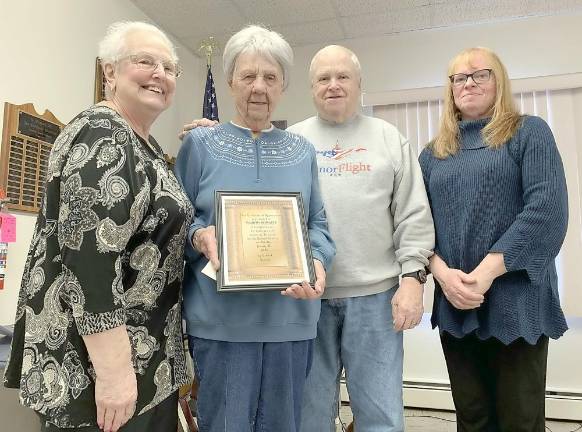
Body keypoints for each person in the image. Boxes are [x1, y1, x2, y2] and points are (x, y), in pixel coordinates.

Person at [181, 44, 434, 432]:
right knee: (310, 418)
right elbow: (190, 211)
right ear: (310, 87)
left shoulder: (378, 139)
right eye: (323, 78)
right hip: (299, 303)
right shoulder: (288, 138)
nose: (333, 86)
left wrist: (412, 279)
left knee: (380, 413)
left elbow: (408, 215)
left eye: (343, 77)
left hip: (367, 296)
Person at [3, 21, 193, 432]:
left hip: (144, 365)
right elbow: (89, 259)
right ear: (110, 72)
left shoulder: (145, 144)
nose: (160, 73)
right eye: (145, 61)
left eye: (169, 67)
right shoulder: (103, 132)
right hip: (98, 374)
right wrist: (114, 374)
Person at [174, 25, 336, 432]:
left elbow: (317, 223)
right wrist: (198, 235)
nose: (259, 87)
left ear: (283, 85)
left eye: (270, 77)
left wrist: (316, 261)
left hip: (291, 319)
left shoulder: (302, 150)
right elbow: (176, 221)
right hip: (221, 322)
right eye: (248, 76)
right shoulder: (200, 145)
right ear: (230, 82)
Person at [419, 47, 569, 431]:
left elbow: (546, 213)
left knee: (519, 420)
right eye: (459, 77)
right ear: (450, 89)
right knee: (472, 418)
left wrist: (486, 272)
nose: (468, 83)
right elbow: (416, 226)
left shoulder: (528, 132)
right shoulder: (432, 155)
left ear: (498, 81)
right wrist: (442, 274)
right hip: (455, 302)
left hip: (516, 304)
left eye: (479, 74)